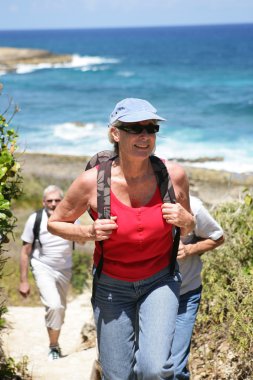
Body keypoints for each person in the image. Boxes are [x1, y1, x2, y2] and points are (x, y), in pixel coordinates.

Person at [48, 98, 195, 379]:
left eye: (151, 128)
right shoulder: (91, 182)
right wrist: (88, 232)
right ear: (115, 133)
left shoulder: (173, 176)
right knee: (117, 375)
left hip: (160, 281)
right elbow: (56, 224)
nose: (145, 136)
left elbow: (187, 225)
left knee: (154, 369)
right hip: (111, 287)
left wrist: (186, 221)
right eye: (135, 128)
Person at [171, 195, 224, 379]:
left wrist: (188, 250)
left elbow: (218, 237)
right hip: (145, 296)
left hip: (185, 294)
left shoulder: (194, 206)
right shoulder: (138, 205)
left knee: (176, 369)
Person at [19, 185, 74, 361]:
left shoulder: (71, 218)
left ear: (62, 201)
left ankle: (54, 341)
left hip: (64, 269)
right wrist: (23, 281)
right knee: (54, 306)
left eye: (57, 200)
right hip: (42, 267)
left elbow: (82, 238)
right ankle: (54, 347)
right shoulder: (34, 219)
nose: (53, 204)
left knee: (60, 310)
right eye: (49, 201)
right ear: (44, 202)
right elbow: (25, 251)